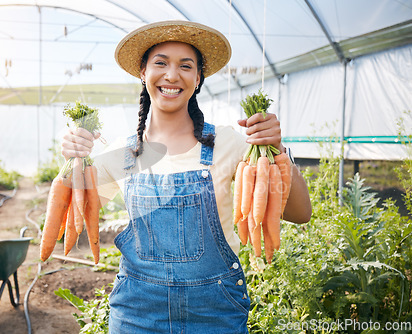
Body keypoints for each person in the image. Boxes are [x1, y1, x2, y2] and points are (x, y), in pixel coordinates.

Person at [61, 20, 311, 334]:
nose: (172, 75)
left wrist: (278, 149)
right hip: (137, 315)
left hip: (215, 313)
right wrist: (74, 161)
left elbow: (300, 214)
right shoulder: (121, 154)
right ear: (143, 72)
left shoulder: (228, 143)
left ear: (198, 78)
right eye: (160, 63)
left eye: (186, 65)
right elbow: (72, 226)